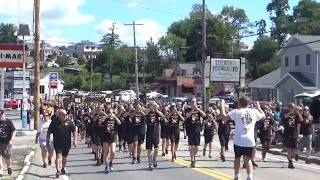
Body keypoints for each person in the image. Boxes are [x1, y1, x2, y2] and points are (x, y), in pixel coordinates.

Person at [220, 97, 265, 180]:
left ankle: (237, 176)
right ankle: (249, 176)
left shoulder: (236, 112)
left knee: (237, 158)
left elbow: (223, 117)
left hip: (238, 140)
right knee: (248, 159)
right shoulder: (254, 112)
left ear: (239, 104)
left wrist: (222, 106)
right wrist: (259, 108)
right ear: (248, 104)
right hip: (249, 140)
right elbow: (263, 117)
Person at [47, 109, 77, 178]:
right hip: (58, 143)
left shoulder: (69, 122)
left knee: (64, 157)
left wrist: (75, 140)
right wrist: (47, 141)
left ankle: (63, 167)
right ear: (59, 115)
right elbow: (49, 132)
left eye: (66, 114)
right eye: (63, 115)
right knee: (58, 156)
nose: (65, 116)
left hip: (67, 143)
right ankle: (58, 170)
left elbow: (74, 131)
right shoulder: (54, 122)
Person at [185, 98, 206, 168]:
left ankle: (193, 156)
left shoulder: (198, 109)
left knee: (197, 147)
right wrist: (193, 110)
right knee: (192, 146)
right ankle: (192, 160)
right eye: (193, 102)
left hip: (197, 130)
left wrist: (198, 109)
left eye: (195, 102)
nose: (194, 103)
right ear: (190, 103)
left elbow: (204, 115)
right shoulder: (187, 110)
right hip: (190, 130)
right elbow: (187, 116)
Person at [145, 101, 165, 170]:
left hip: (156, 132)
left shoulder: (157, 112)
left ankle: (154, 158)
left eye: (154, 105)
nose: (153, 106)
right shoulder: (147, 111)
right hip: (149, 132)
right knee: (149, 149)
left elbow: (163, 116)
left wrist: (156, 110)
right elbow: (146, 113)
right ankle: (150, 163)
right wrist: (150, 108)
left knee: (156, 148)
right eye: (152, 105)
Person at [282, 103, 302, 169]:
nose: (291, 108)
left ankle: (294, 155)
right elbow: (285, 117)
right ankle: (290, 163)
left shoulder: (296, 114)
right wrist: (290, 112)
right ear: (288, 107)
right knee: (289, 150)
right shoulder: (286, 112)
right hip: (287, 133)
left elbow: (301, 120)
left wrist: (298, 112)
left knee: (293, 151)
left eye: (292, 107)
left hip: (294, 133)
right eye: (290, 107)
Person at [102, 104, 121, 173]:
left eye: (111, 112)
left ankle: (111, 162)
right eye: (109, 112)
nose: (110, 113)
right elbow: (100, 121)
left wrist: (115, 117)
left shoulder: (114, 118)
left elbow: (119, 123)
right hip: (105, 136)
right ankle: (106, 166)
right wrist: (107, 116)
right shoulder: (105, 118)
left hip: (113, 136)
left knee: (113, 152)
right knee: (106, 152)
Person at [0, 110, 16, 178]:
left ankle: (9, 167)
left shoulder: (9, 122)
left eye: (1, 115)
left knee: (7, 157)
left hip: (6, 142)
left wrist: (12, 140)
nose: (0, 116)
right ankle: (1, 171)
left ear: (4, 114)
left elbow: (14, 131)